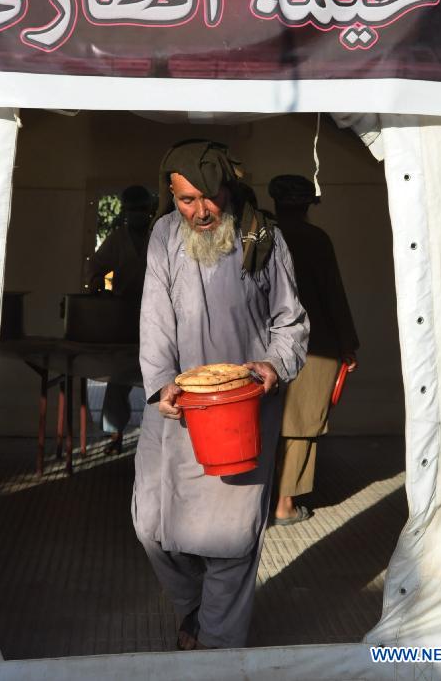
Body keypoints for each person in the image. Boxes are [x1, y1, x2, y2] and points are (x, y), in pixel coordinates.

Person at [132, 140, 308, 650]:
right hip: (175, 403)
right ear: (171, 194)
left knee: (230, 539)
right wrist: (163, 381)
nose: (200, 211)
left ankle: (215, 646)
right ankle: (193, 609)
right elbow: (154, 317)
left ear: (226, 188)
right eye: (187, 200)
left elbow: (290, 321)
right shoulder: (165, 235)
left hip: (243, 408)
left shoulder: (263, 235)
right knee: (151, 524)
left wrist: (273, 366)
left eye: (208, 197)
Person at [268, 174, 359, 525]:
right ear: (308, 206)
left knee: (269, 423)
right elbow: (332, 294)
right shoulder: (317, 239)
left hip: (267, 343)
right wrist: (348, 344)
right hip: (315, 342)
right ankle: (285, 504)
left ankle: (264, 500)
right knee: (302, 424)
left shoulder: (262, 236)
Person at [86, 185, 153, 454]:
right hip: (124, 316)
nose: (138, 214)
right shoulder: (117, 239)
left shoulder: (159, 237)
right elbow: (95, 267)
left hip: (158, 317)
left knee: (159, 376)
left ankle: (155, 439)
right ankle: (114, 436)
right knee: (119, 379)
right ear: (125, 212)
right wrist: (97, 286)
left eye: (142, 209)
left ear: (149, 211)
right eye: (133, 209)